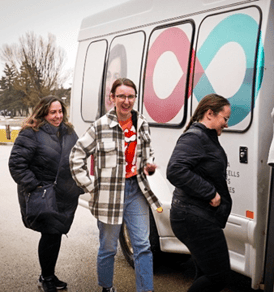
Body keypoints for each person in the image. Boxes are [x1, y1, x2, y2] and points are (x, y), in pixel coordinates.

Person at [69, 78, 162, 292]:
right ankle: (106, 287)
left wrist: (148, 164)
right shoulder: (100, 126)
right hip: (109, 196)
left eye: (130, 96)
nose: (126, 101)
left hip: (136, 191)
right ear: (112, 98)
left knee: (143, 247)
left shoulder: (142, 123)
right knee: (108, 248)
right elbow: (76, 155)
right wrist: (91, 186)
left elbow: (147, 152)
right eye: (121, 96)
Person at [9, 96, 83, 292]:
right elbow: (16, 165)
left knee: (55, 234)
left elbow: (78, 156)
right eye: (53, 112)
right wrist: (35, 186)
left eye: (60, 112)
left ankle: (48, 274)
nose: (58, 116)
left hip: (63, 193)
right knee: (50, 234)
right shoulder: (30, 133)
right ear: (43, 113)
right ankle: (47, 277)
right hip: (43, 193)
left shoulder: (68, 131)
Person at [166, 94, 232, 292]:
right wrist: (211, 193)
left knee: (206, 273)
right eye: (225, 118)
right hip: (194, 217)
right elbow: (175, 170)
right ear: (210, 114)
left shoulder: (205, 137)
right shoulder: (196, 136)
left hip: (198, 215)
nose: (226, 125)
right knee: (219, 277)